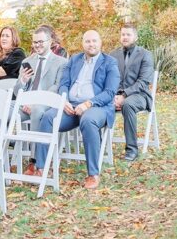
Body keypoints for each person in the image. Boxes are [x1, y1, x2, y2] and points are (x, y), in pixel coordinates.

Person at [34, 30, 120, 191]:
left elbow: (109, 92)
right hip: (71, 105)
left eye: (94, 41)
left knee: (88, 120)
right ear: (83, 43)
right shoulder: (74, 60)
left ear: (100, 42)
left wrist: (88, 104)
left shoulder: (110, 63)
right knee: (47, 117)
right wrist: (63, 99)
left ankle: (93, 174)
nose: (91, 44)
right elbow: (64, 83)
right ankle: (42, 168)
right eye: (87, 41)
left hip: (97, 106)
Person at [16, 27, 67, 176]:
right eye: (34, 42)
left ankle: (35, 160)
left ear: (50, 42)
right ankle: (0, 156)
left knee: (37, 110)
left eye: (41, 42)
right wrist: (22, 81)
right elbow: (16, 90)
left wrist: (34, 101)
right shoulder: (27, 61)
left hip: (46, 102)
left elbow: (57, 87)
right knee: (5, 109)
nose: (37, 45)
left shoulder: (61, 62)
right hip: (25, 104)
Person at [110, 23, 154, 162]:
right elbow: (109, 78)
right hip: (116, 96)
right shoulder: (113, 55)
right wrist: (112, 97)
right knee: (100, 102)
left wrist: (124, 95)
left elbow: (143, 82)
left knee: (127, 104)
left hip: (140, 95)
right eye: (123, 34)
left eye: (128, 34)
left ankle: (132, 149)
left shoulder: (145, 55)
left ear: (135, 37)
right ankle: (100, 145)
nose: (125, 37)